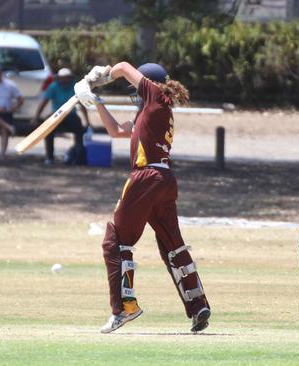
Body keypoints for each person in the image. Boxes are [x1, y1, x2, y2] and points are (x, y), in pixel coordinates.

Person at [74, 63, 211, 333]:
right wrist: (96, 101)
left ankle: (124, 308)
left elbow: (124, 66)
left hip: (146, 178)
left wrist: (99, 78)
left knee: (115, 241)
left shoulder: (156, 96)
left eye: (137, 90)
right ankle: (198, 305)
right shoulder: (152, 111)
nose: (135, 96)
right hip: (165, 181)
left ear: (149, 84)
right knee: (173, 246)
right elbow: (115, 131)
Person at [31, 68, 89, 166]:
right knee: (48, 129)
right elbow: (44, 103)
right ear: (59, 78)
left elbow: (82, 105)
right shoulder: (53, 87)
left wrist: (87, 121)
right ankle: (49, 157)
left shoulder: (75, 88)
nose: (64, 80)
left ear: (70, 78)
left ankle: (78, 157)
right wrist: (36, 117)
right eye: (62, 78)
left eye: (66, 78)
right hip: (57, 115)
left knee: (79, 129)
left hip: (70, 115)